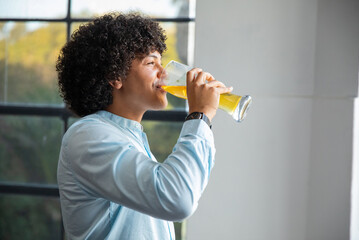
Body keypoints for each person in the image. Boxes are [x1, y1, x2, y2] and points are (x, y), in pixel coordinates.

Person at [56, 12, 232, 239]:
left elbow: (186, 189)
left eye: (161, 61)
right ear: (114, 76)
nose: (164, 72)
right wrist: (199, 116)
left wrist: (203, 120)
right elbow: (178, 199)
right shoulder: (88, 135)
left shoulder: (130, 137)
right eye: (151, 62)